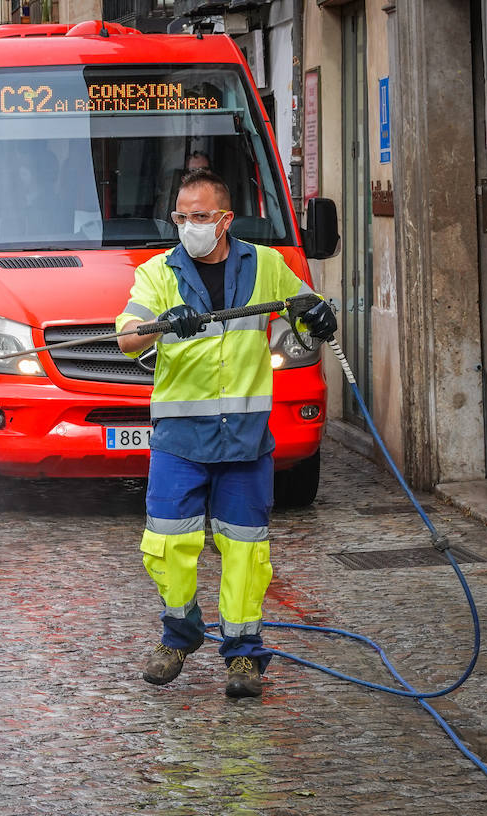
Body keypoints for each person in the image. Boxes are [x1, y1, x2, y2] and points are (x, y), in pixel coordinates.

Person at [115, 169, 336, 698]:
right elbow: (126, 338)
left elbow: (303, 318)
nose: (190, 225)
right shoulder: (157, 274)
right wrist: (164, 321)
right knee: (166, 545)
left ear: (225, 219)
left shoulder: (266, 265)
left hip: (243, 439)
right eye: (182, 217)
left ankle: (244, 656)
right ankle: (180, 633)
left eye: (201, 216)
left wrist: (320, 318)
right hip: (179, 441)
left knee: (245, 552)